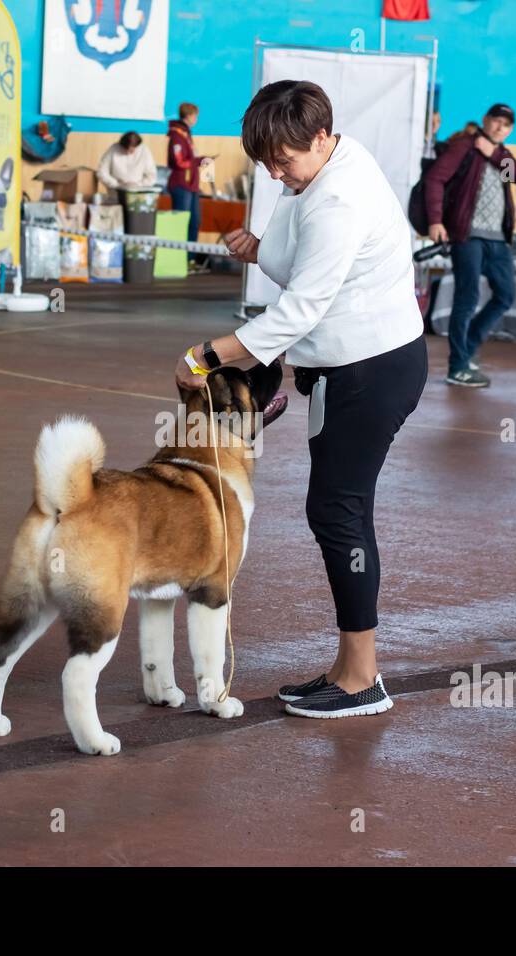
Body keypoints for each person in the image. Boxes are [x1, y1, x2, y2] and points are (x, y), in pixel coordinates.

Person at [174, 80, 427, 719]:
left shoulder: (338, 195)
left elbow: (301, 308)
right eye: (265, 161)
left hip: (371, 369)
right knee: (338, 509)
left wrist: (206, 355)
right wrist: (262, 250)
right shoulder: (314, 173)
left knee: (338, 511)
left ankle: (362, 679)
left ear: (320, 136)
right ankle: (349, 668)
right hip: (348, 366)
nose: (274, 171)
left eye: (282, 159)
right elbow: (306, 266)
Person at [424, 103, 516, 388]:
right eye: (496, 121)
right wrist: (436, 220)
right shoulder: (464, 146)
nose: (499, 127)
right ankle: (457, 366)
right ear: (485, 120)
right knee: (467, 298)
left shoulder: (502, 156)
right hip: (467, 236)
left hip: (497, 239)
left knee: (505, 295)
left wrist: (493, 153)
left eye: (506, 125)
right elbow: (435, 178)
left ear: (510, 130)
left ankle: (467, 347)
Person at [166, 102, 212, 263]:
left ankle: (189, 259)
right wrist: (197, 160)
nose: (196, 119)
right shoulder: (177, 135)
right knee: (181, 222)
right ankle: (176, 259)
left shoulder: (186, 133)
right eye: (195, 116)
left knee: (194, 222)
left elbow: (189, 159)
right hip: (181, 185)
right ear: (189, 115)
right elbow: (179, 162)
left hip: (191, 185)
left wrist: (200, 160)